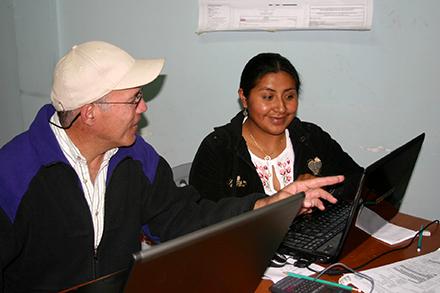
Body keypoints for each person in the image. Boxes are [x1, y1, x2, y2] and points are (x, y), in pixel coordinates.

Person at [0, 41, 343, 292]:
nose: (144, 107)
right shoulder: (13, 173)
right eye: (134, 98)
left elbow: (186, 219)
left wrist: (270, 202)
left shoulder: (137, 158)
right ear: (90, 111)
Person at [189, 52, 361, 203]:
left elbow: (359, 182)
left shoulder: (311, 138)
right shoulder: (218, 149)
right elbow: (202, 219)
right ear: (244, 97)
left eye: (289, 96)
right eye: (268, 97)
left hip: (312, 238)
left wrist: (321, 184)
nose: (281, 108)